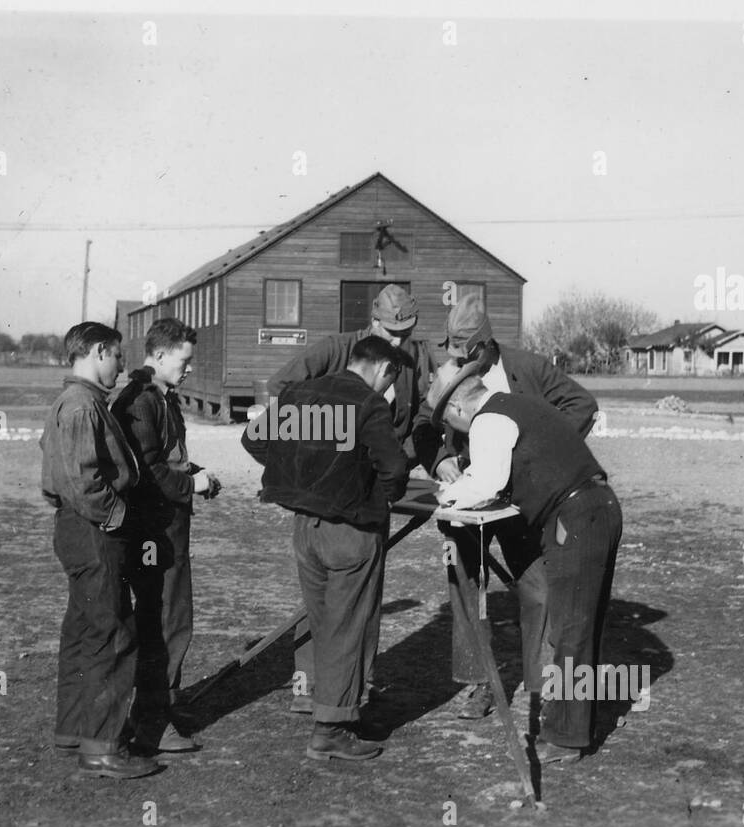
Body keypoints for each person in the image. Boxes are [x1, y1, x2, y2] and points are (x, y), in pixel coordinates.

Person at [411, 295, 599, 719]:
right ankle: (479, 684)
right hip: (467, 497)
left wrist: (538, 460)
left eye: (465, 353)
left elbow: (582, 406)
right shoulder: (451, 375)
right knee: (466, 586)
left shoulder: (528, 369)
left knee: (538, 587)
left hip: (520, 503)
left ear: (484, 346)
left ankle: (543, 681)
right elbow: (424, 423)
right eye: (452, 352)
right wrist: (441, 461)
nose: (457, 361)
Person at [428, 359, 622, 762]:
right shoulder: (517, 404)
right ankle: (584, 719)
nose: (455, 433)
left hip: (575, 515)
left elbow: (485, 482)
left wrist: (445, 497)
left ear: (459, 409)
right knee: (586, 623)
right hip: (597, 506)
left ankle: (566, 739)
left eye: (449, 421)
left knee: (571, 627)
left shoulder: (488, 420)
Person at [265, 284, 435, 712]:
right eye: (391, 332)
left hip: (374, 487)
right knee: (324, 594)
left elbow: (418, 417)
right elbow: (282, 385)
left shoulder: (410, 361)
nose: (398, 342)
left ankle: (355, 687)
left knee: (362, 596)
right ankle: (310, 686)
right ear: (371, 322)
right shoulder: (336, 349)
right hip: (329, 487)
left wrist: (401, 460)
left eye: (406, 333)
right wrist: (329, 440)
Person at [243, 336, 410, 760]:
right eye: (392, 379)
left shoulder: (301, 392)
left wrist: (303, 469)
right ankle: (331, 728)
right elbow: (394, 467)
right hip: (350, 532)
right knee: (348, 626)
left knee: (323, 623)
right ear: (383, 370)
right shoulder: (369, 403)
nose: (389, 387)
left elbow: (254, 440)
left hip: (305, 529)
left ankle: (335, 710)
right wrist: (378, 494)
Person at [39, 321, 158, 779]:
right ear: (95, 352)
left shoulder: (76, 402)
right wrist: (119, 516)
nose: (121, 364)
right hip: (93, 531)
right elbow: (81, 482)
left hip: (78, 527)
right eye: (116, 355)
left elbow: (57, 479)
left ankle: (74, 730)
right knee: (113, 633)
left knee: (86, 630)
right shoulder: (82, 404)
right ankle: (104, 747)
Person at [112, 318, 221, 755]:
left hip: (168, 527)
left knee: (168, 619)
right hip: (155, 531)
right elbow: (147, 472)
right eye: (184, 361)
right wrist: (188, 485)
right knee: (166, 622)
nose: (189, 369)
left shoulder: (160, 397)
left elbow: (164, 459)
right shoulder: (141, 401)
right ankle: (152, 721)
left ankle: (154, 710)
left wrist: (195, 475)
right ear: (158, 355)